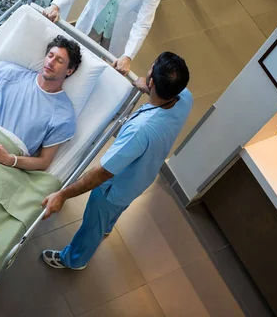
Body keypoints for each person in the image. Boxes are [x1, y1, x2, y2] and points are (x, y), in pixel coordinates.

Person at [40, 51, 192, 270]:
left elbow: (102, 173)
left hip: (113, 191)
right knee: (111, 215)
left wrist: (63, 194)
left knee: (92, 226)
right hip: (141, 177)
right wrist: (149, 88)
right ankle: (107, 227)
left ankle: (74, 259)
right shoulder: (184, 97)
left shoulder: (140, 131)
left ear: (152, 82)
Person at [0, 35, 82, 171]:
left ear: (69, 70)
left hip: (6, 163)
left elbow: (44, 162)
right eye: (50, 55)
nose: (51, 62)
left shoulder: (64, 115)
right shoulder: (11, 74)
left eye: (59, 60)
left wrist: (9, 160)